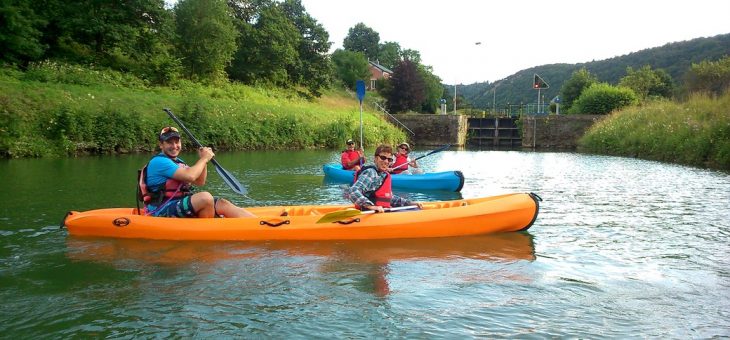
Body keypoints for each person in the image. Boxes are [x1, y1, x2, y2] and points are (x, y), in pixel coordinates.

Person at [138, 126, 255, 218]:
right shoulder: (159, 162)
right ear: (161, 145)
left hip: (178, 202)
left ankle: (258, 223)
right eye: (169, 142)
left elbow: (200, 181)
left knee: (222, 203)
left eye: (177, 142)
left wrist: (204, 161)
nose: (174, 146)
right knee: (205, 198)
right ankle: (208, 231)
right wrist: (204, 158)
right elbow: (191, 176)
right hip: (160, 209)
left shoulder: (178, 162)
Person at [344, 144, 423, 212]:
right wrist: (371, 206)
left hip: (380, 210)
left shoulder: (383, 175)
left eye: (389, 159)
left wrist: (410, 203)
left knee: (413, 208)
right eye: (383, 157)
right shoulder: (371, 172)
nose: (386, 161)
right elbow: (353, 191)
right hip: (370, 213)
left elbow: (390, 198)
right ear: (375, 158)